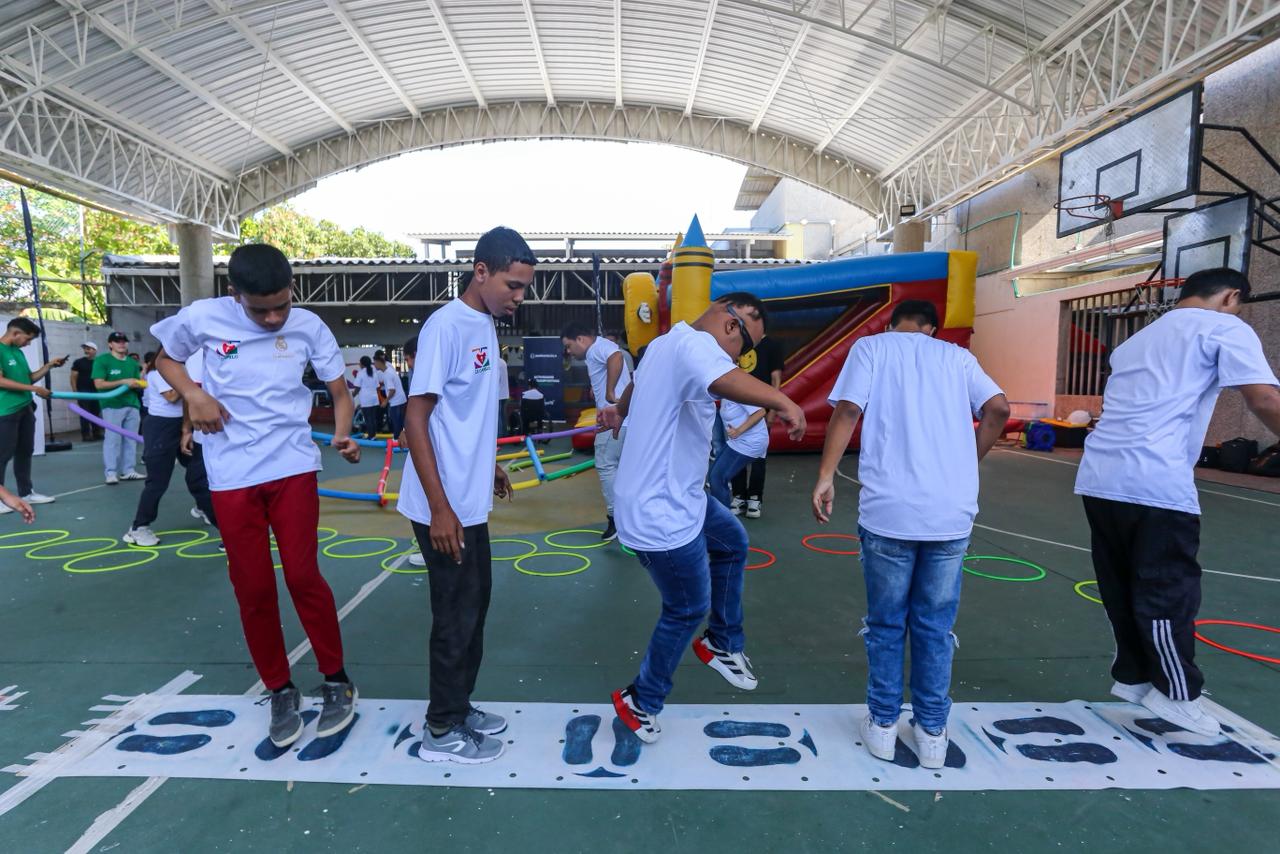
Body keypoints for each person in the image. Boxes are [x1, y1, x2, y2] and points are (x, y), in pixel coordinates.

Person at [152, 242, 362, 750]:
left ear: (294, 291)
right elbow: (166, 359)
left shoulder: (309, 326)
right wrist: (195, 395)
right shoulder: (203, 317)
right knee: (252, 587)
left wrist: (343, 432)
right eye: (259, 308)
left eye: (281, 306)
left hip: (291, 465)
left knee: (303, 575)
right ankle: (280, 688)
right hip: (230, 472)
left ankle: (337, 680)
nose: (272, 318)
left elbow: (339, 393)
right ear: (234, 295)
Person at [1074, 268, 1280, 736]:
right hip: (1154, 481)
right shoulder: (1225, 326)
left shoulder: (1138, 340)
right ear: (1232, 296)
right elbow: (1265, 398)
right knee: (1168, 590)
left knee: (1122, 586)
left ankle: (1135, 677)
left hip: (1100, 475)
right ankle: (1176, 694)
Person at [810, 299, 1009, 769]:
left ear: (892, 322)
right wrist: (966, 461)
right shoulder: (958, 357)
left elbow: (847, 411)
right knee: (935, 625)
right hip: (950, 512)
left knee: (886, 622)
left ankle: (882, 724)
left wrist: (825, 475)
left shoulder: (872, 348)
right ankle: (933, 731)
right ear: (933, 329)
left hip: (890, 510)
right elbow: (998, 409)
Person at [602, 294, 806, 744]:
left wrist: (620, 409)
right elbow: (728, 380)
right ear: (732, 326)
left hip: (684, 496)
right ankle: (642, 700)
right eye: (745, 348)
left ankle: (722, 641)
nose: (740, 358)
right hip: (661, 512)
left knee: (732, 540)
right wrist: (785, 403)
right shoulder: (699, 347)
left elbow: (635, 388)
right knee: (686, 607)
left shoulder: (664, 344)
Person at [398, 226, 534, 763]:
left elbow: (464, 413)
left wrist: (491, 462)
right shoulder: (446, 327)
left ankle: (458, 704)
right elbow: (417, 416)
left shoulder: (483, 324)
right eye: (513, 285)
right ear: (481, 271)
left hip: (466, 499)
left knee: (475, 604)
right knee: (455, 612)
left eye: (524, 287)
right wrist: (439, 508)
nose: (518, 297)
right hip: (444, 506)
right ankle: (440, 729)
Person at [121, 344, 218, 547]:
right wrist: (193, 382)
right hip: (160, 428)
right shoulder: (158, 373)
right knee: (158, 481)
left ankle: (203, 508)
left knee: (200, 475)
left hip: (183, 425)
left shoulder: (184, 370)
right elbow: (173, 396)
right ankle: (138, 527)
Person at [561, 322, 632, 541]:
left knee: (606, 466)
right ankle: (628, 519)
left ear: (581, 339)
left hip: (613, 419)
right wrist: (602, 386)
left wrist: (610, 391)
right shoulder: (599, 349)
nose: (569, 352)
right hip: (624, 418)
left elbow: (616, 357)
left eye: (569, 346)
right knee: (621, 469)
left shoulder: (598, 348)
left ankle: (616, 519)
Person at [0, 317, 65, 509]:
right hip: (5, 410)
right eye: (27, 339)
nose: (27, 344)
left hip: (24, 408)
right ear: (15, 333)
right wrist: (34, 390)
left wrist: (49, 366)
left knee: (25, 451)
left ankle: (26, 493)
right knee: (2, 455)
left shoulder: (17, 352)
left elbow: (29, 378)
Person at [732, 334, 784, 518]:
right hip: (737, 410)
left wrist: (773, 410)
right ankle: (738, 495)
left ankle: (755, 497)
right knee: (734, 451)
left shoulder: (771, 345)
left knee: (758, 455)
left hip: (761, 409)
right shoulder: (738, 343)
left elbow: (776, 379)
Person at [92, 331, 145, 484]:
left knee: (131, 438)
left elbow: (136, 383)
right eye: (117, 341)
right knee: (112, 439)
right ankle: (111, 472)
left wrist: (139, 383)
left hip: (132, 404)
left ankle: (129, 470)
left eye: (124, 341)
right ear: (110, 344)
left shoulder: (132, 363)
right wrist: (124, 382)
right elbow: (99, 384)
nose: (121, 344)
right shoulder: (102, 360)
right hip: (112, 405)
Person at [708, 398, 767, 510]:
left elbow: (761, 411)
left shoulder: (738, 391)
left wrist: (739, 430)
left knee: (718, 478)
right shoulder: (724, 392)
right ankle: (724, 513)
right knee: (714, 476)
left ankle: (724, 520)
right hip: (737, 441)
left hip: (751, 441)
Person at [70, 341, 103, 441]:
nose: (86, 350)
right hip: (83, 391)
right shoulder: (78, 362)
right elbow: (73, 377)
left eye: (88, 349)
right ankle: (86, 435)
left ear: (94, 350)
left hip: (97, 391)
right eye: (85, 348)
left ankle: (97, 433)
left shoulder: (100, 362)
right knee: (85, 413)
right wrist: (75, 392)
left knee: (96, 413)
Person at [375, 352, 407, 440]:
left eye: (375, 363)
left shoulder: (387, 374)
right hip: (400, 400)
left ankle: (396, 441)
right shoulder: (389, 370)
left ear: (379, 362)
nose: (374, 365)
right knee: (399, 422)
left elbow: (392, 390)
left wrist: (385, 401)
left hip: (396, 402)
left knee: (396, 423)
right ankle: (400, 440)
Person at [351, 355, 383, 439]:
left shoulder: (361, 373)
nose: (359, 364)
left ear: (362, 364)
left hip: (366, 399)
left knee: (368, 418)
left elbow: (357, 387)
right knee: (372, 418)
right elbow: (377, 386)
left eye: (359, 362)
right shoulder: (374, 372)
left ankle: (371, 436)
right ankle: (373, 435)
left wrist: (352, 396)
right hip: (374, 398)